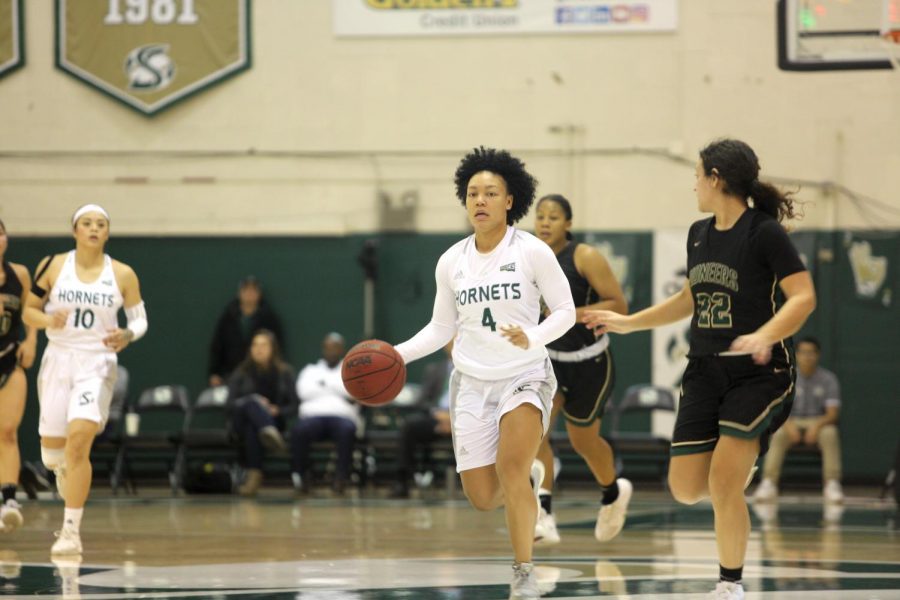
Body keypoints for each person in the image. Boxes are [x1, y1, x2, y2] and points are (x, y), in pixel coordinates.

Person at [584, 139, 816, 600]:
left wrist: (767, 334)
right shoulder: (697, 234)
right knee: (686, 488)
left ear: (717, 179)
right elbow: (689, 298)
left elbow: (805, 297)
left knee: (723, 484)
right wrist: (629, 324)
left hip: (759, 374)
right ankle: (739, 465)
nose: (693, 183)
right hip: (703, 371)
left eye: (697, 174)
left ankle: (730, 584)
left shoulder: (765, 233)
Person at [393, 147, 576, 600]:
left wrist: (533, 337)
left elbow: (567, 311)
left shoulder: (532, 251)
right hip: (472, 382)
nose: (480, 200)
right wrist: (397, 356)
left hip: (524, 375)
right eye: (473, 193)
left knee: (510, 469)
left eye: (490, 193)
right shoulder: (451, 261)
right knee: (480, 496)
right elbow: (441, 328)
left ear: (510, 200)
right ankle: (529, 483)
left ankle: (523, 574)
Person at [23, 204, 148, 556]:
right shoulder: (53, 266)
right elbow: (29, 310)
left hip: (96, 362)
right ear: (75, 229)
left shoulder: (122, 274)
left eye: (101, 224)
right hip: (58, 359)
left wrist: (128, 334)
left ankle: (70, 532)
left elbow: (140, 320)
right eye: (87, 223)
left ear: (107, 233)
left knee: (79, 441)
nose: (94, 228)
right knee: (51, 454)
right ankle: (62, 468)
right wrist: (48, 321)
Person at [531, 194, 630, 547]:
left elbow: (618, 303)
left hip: (591, 362)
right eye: (540, 216)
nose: (544, 222)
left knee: (582, 441)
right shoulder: (528, 257)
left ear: (568, 224)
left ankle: (612, 493)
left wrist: (569, 312)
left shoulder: (584, 256)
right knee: (537, 433)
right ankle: (543, 514)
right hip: (550, 361)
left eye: (553, 217)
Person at [755, 336, 843, 503]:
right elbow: (777, 409)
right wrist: (788, 425)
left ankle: (832, 483)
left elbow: (832, 414)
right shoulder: (786, 377)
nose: (807, 356)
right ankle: (768, 483)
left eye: (811, 353)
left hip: (818, 422)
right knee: (778, 433)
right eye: (803, 352)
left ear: (818, 355)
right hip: (790, 421)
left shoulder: (828, 379)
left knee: (830, 433)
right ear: (796, 354)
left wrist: (816, 426)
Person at [0, 219, 37, 533]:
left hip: (10, 359)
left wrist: (31, 339)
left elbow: (32, 310)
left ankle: (9, 498)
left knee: (8, 430)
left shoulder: (19, 274)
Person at [228, 329, 297, 496]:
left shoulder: (285, 372)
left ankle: (254, 478)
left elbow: (294, 406)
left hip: (273, 421)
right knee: (252, 402)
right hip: (240, 421)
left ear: (273, 348)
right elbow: (230, 405)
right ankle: (270, 435)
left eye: (264, 345)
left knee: (254, 428)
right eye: (255, 345)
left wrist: (277, 410)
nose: (259, 349)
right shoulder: (241, 372)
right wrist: (255, 403)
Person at [290, 333, 359, 496]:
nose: (332, 351)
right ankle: (303, 477)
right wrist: (339, 387)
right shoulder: (310, 370)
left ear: (342, 349)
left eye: (335, 347)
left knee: (348, 430)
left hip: (342, 418)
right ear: (323, 349)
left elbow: (353, 393)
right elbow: (303, 392)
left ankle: (340, 479)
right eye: (328, 347)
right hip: (313, 418)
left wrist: (324, 384)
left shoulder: (352, 370)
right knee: (299, 430)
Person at [390, 343, 453, 499]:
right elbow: (422, 401)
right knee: (409, 426)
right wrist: (438, 414)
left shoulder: (476, 370)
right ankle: (402, 482)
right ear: (445, 346)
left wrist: (455, 418)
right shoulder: (434, 369)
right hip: (438, 418)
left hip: (466, 419)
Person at [208, 276, 284, 387]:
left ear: (259, 294)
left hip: (262, 377)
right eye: (246, 290)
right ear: (240, 293)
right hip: (230, 375)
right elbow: (217, 346)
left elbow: (278, 347)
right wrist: (214, 372)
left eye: (253, 290)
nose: (249, 294)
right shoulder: (228, 317)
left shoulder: (269, 318)